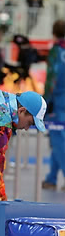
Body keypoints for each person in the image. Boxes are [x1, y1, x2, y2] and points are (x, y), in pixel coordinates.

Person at [42, 20, 65, 191]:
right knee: (58, 138)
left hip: (58, 100)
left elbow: (52, 77)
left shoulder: (57, 51)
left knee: (57, 139)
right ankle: (51, 178)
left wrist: (46, 100)